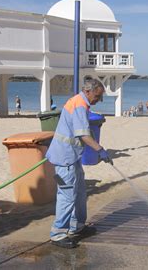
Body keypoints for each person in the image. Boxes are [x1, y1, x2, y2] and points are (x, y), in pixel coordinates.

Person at [46, 78, 111, 249]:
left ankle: (77, 226)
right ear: (88, 91)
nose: (98, 100)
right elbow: (83, 135)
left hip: (72, 157)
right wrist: (100, 149)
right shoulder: (80, 105)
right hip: (64, 158)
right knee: (67, 195)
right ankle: (58, 234)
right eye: (97, 96)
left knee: (80, 191)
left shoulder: (79, 102)